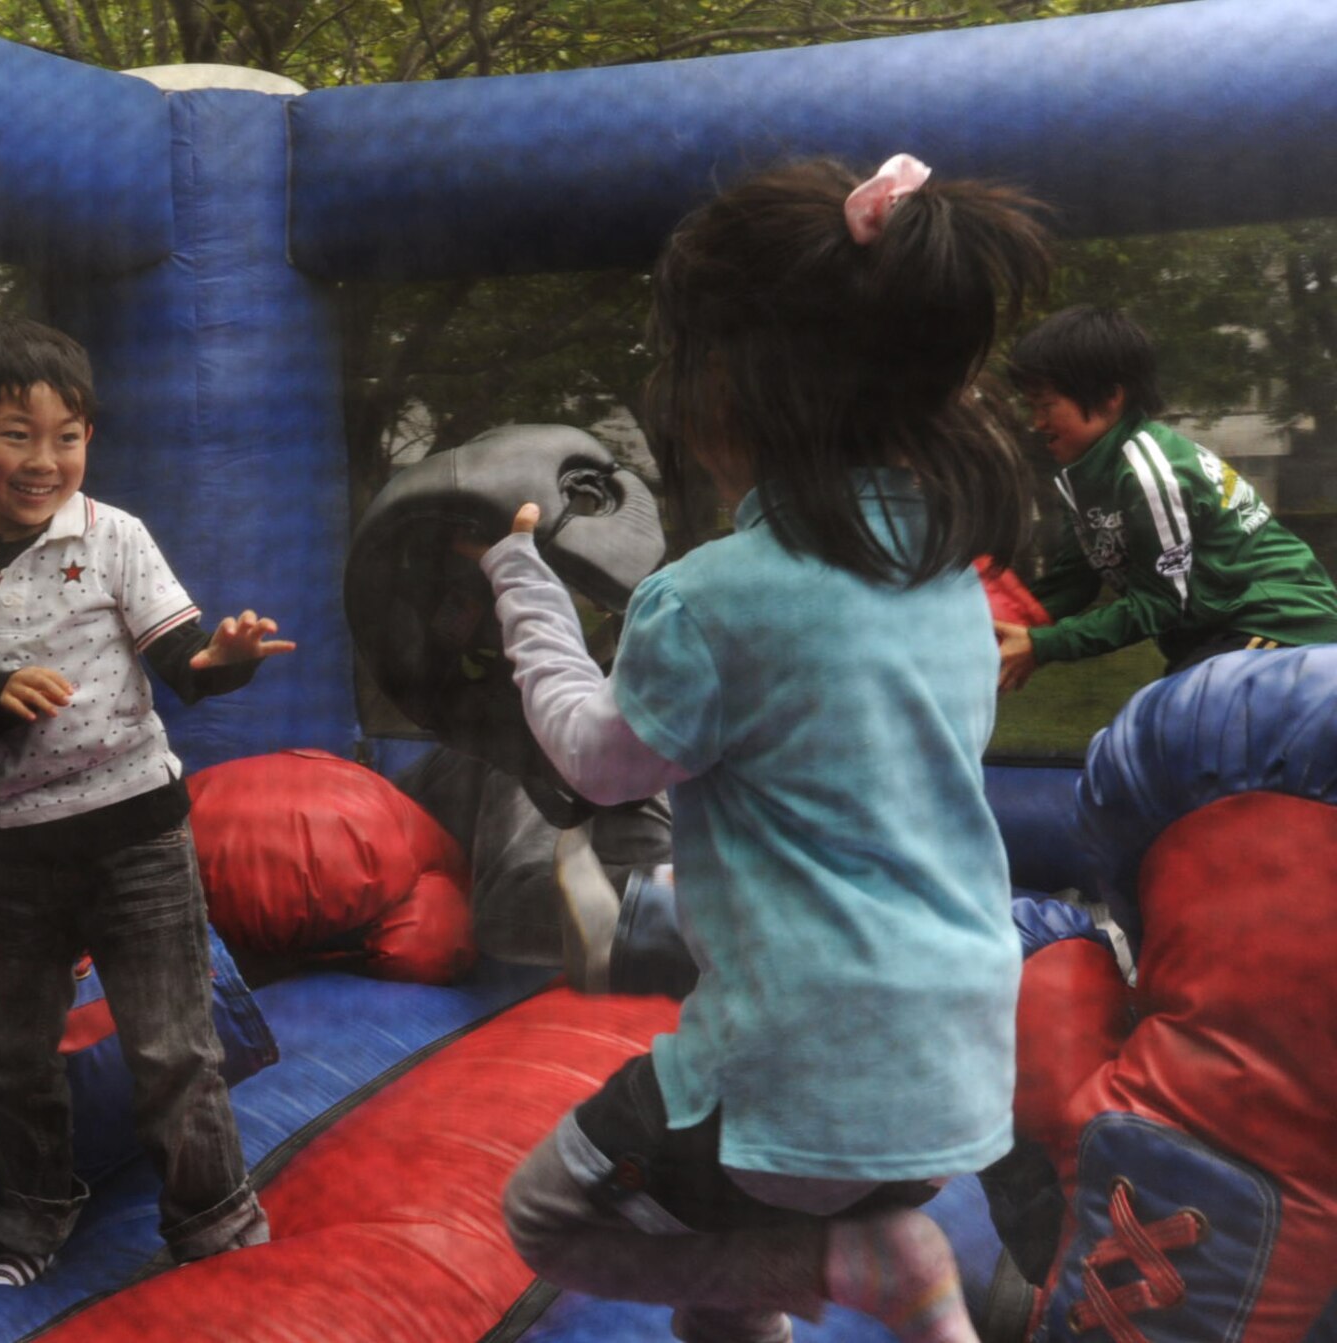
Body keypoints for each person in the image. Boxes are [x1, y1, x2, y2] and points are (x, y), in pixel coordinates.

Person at [473, 155, 1050, 1343]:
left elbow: (596, 761)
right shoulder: (946, 578)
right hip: (956, 1052)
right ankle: (819, 1257)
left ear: (726, 383)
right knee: (712, 1257)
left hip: (799, 1067)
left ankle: (861, 1264)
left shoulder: (712, 598)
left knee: (547, 1213)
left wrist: (520, 588)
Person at [0, 314, 291, 1287]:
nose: (44, 459)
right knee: (13, 1045)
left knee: (170, 1044)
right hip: (20, 849)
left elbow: (180, 663)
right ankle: (34, 1215)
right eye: (15, 434)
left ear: (89, 439)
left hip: (138, 832)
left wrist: (224, 659)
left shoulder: (113, 538)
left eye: (66, 436)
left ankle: (216, 1223)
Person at [996, 304, 1337, 689]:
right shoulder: (1087, 479)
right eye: (1032, 407)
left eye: (1046, 405)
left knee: (1185, 709)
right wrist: (1003, 623)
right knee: (1174, 707)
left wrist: (1044, 645)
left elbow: (1158, 604)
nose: (1037, 422)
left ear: (1109, 396)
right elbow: (1075, 581)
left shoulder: (1147, 475)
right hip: (1223, 633)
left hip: (1280, 625)